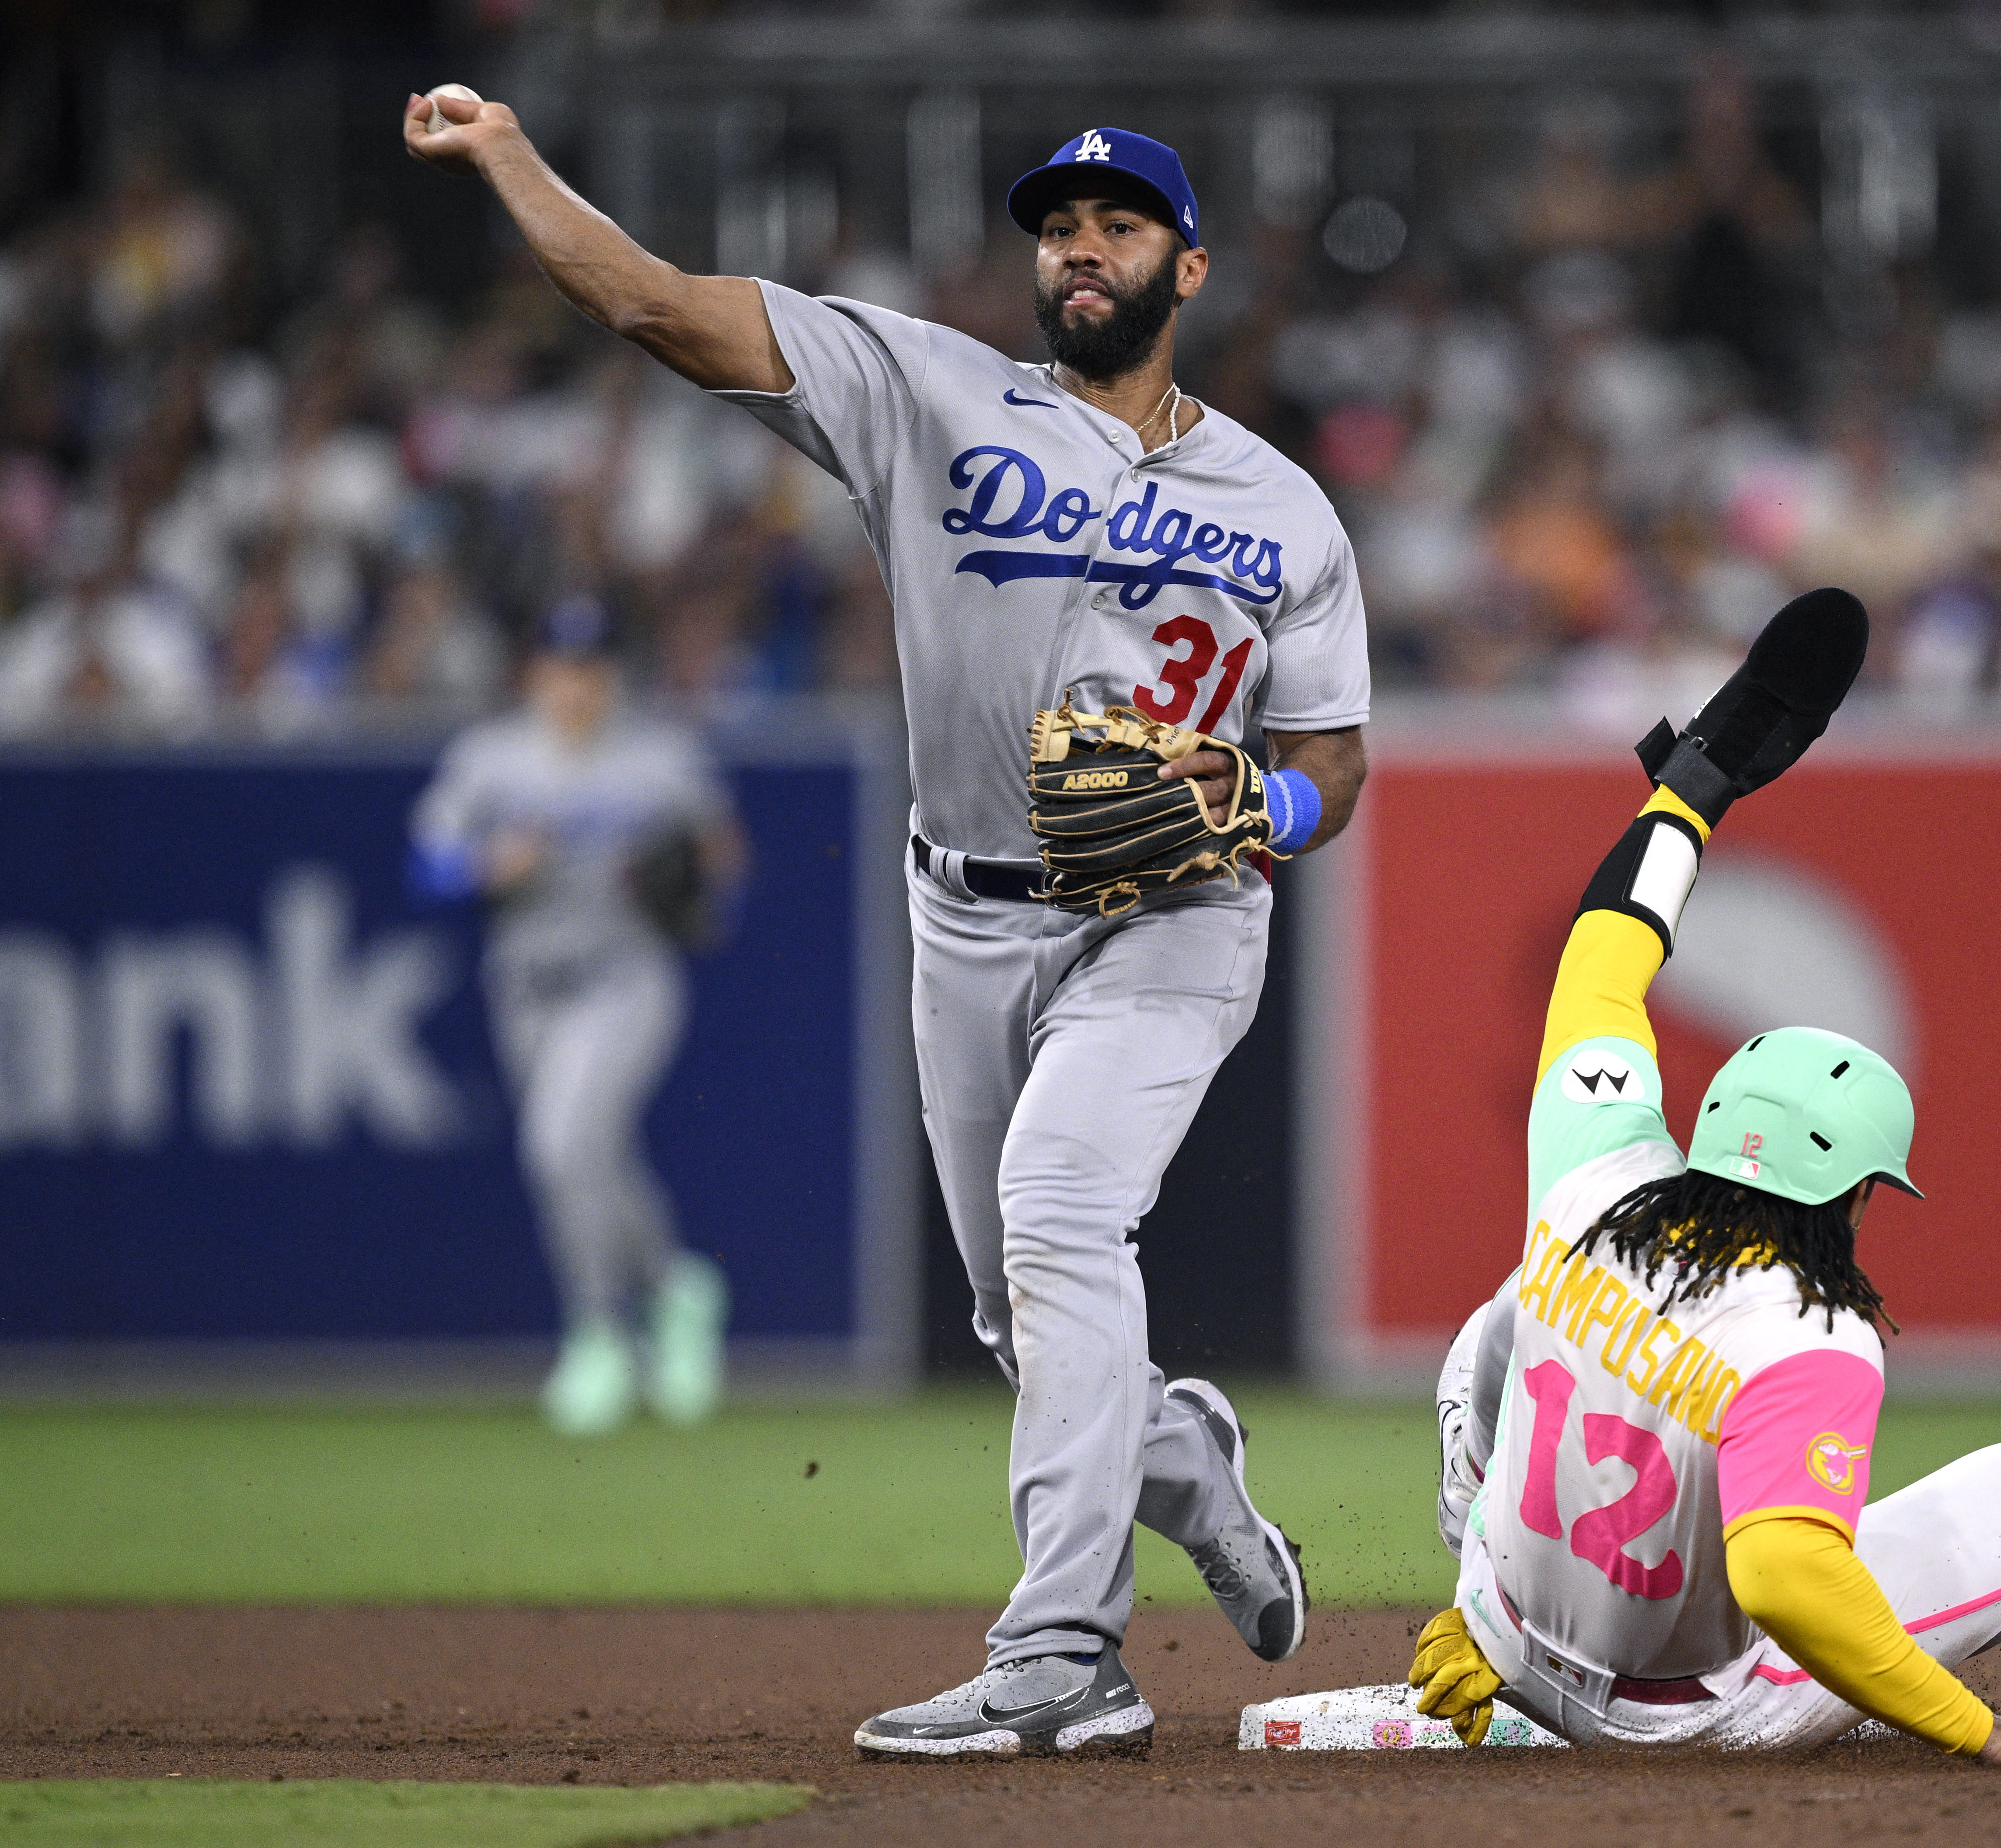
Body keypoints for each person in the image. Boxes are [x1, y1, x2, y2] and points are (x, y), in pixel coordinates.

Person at [406, 100, 1370, 1757]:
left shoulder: (1282, 507)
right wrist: (507, 153)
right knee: (1024, 1316)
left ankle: (1063, 1651)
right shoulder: (919, 388)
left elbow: (1333, 765)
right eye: (1059, 219)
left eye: (1120, 221)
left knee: (1064, 1217)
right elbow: (644, 297)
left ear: (1187, 264)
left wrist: (1251, 813)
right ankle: (1186, 1466)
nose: (1081, 242)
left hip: (1178, 915)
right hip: (967, 911)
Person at [1401, 588, 2001, 1769]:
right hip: (1681, 1717)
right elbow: (1780, 1571)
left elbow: (1600, 954)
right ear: (1853, 1189)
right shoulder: (1809, 1332)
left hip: (1503, 1621)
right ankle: (1567, 1666)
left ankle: (1480, 1595)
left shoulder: (1594, 1172)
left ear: (1712, 1123)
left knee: (1502, 1319)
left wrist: (1688, 792)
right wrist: (1977, 1728)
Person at [408, 595, 745, 1436]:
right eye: (561, 667)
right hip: (525, 986)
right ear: (535, 673)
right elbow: (427, 867)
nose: (576, 684)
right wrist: (486, 866)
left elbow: (722, 860)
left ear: (612, 676)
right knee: (591, 1159)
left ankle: (598, 1335)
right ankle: (673, 1286)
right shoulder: (491, 760)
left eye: (591, 667)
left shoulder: (659, 761)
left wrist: (690, 880)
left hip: (626, 978)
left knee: (560, 1145)